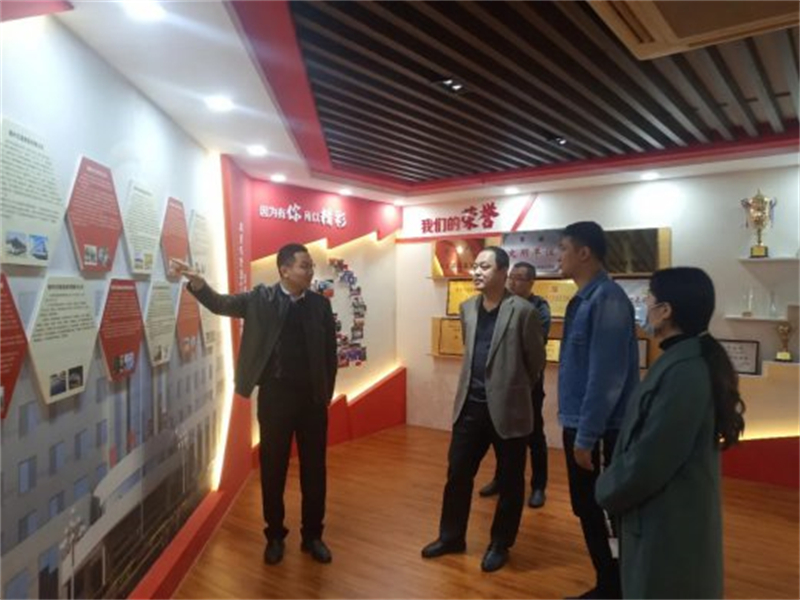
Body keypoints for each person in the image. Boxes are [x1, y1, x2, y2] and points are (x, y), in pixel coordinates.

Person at [174, 243, 337, 566]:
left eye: (311, 266)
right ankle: (275, 535)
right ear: (284, 270)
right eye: (304, 265)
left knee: (315, 470)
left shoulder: (320, 305)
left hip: (312, 401)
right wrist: (197, 283)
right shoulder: (260, 299)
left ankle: (313, 536)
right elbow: (220, 304)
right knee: (273, 469)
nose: (310, 271)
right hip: (275, 399)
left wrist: (326, 394)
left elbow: (330, 354)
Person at [596, 267, 745, 599]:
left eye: (648, 298)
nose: (644, 306)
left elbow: (652, 458)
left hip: (668, 521)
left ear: (665, 310)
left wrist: (606, 489)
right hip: (664, 513)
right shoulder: (682, 360)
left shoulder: (685, 372)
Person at [421, 247, 545, 572]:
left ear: (503, 272)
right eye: (475, 266)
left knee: (511, 481)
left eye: (485, 267)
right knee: (458, 475)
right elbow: (471, 351)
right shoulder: (467, 308)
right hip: (470, 407)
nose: (476, 272)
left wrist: (510, 388)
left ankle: (500, 544)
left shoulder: (523, 312)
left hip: (509, 410)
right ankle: (451, 537)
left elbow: (535, 362)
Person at [558, 221, 639, 599]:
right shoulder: (587, 299)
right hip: (584, 423)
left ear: (584, 252)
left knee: (603, 508)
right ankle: (611, 582)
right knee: (587, 507)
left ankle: (614, 586)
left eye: (563, 249)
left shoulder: (607, 299)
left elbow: (606, 377)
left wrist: (587, 436)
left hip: (601, 428)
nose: (558, 257)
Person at [479, 261, 552, 508]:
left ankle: (539, 486)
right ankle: (500, 479)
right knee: (501, 431)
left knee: (534, 434)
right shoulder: (502, 304)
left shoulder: (539, 307)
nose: (513, 281)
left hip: (529, 382)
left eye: (519, 278)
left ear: (531, 282)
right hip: (503, 382)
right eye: (511, 276)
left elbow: (535, 344)